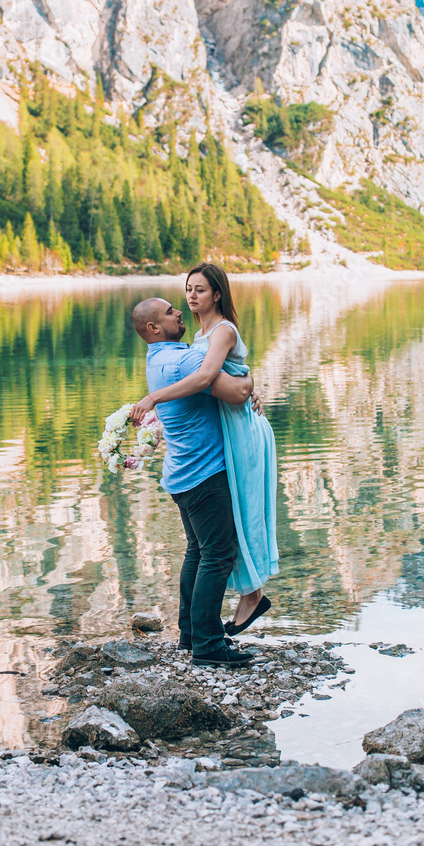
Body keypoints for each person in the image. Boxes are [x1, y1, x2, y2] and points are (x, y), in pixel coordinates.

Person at [131, 263, 279, 636]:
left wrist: (153, 398)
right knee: (219, 539)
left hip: (243, 433)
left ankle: (250, 594)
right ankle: (240, 603)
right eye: (188, 289)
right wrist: (247, 385)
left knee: (245, 517)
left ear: (217, 294)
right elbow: (230, 382)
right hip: (226, 434)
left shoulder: (222, 330)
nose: (191, 297)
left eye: (200, 289)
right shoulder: (196, 340)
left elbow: (206, 379)